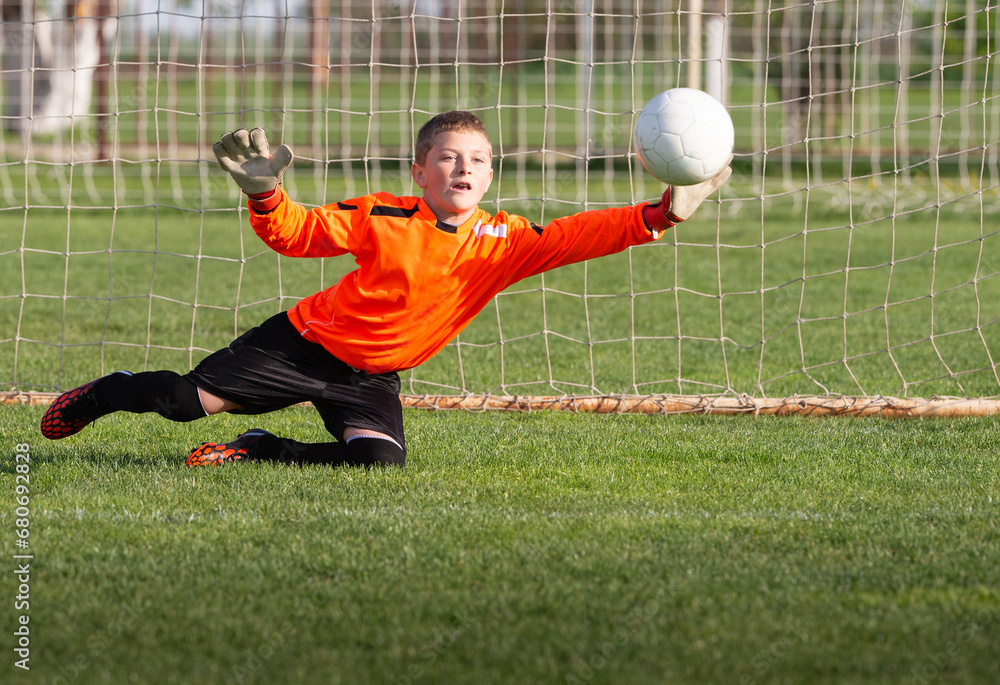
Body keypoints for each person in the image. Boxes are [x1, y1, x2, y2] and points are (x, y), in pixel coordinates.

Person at [40, 111, 732, 468]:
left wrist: (660, 215)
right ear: (420, 170)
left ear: (491, 175)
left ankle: (263, 447)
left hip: (372, 376)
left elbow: (579, 234)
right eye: (449, 158)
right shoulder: (382, 214)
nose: (464, 168)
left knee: (377, 459)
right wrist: (264, 192)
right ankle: (103, 392)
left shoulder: (506, 240)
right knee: (183, 403)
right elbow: (297, 232)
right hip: (301, 346)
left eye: (478, 161)